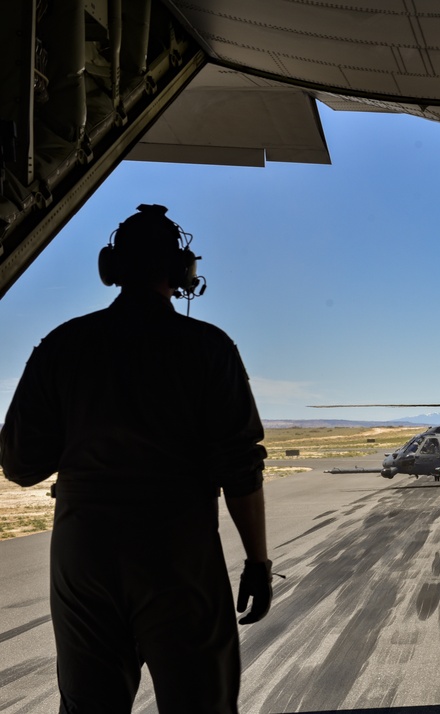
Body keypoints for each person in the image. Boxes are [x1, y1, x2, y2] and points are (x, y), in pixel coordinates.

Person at [0, 204, 271, 713]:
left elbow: (19, 465)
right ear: (182, 273)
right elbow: (240, 468)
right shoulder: (209, 348)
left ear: (111, 268)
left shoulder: (61, 347)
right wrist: (257, 562)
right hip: (178, 550)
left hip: (84, 553)